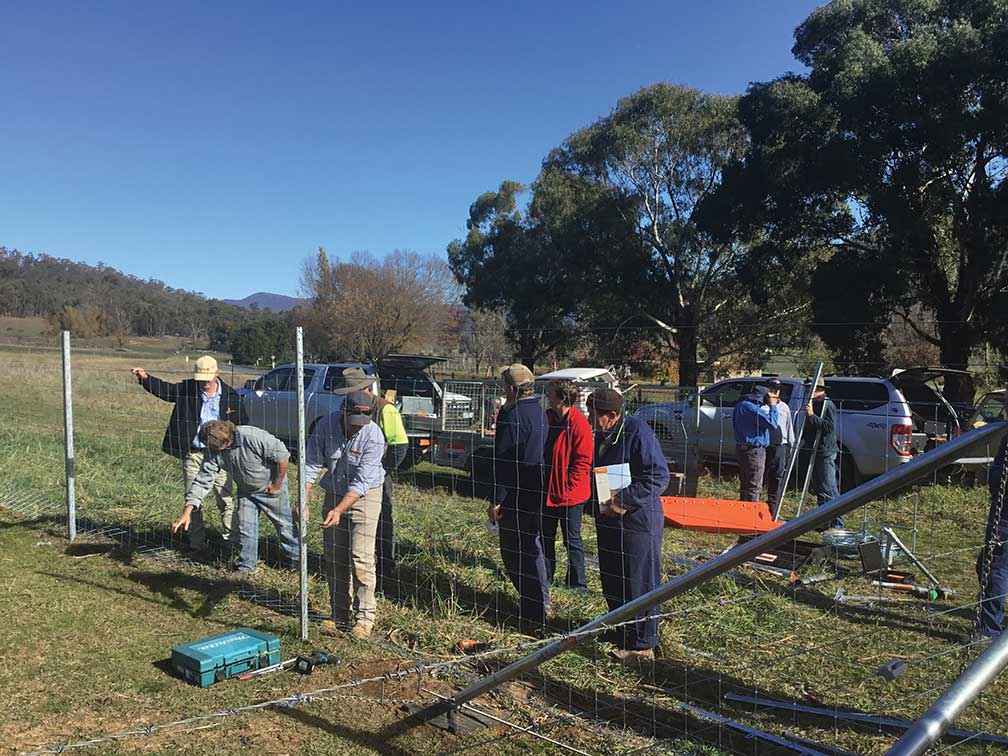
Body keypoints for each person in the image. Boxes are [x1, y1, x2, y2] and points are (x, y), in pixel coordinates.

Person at [588, 387, 670, 664]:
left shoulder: (637, 432)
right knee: (613, 576)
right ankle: (622, 630)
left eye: (594, 414)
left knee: (639, 579)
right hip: (609, 517)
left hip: (636, 520)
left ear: (612, 415)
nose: (590, 418)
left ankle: (643, 644)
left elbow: (657, 476)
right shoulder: (603, 434)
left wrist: (623, 499)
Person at [132, 356, 243, 553]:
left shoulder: (232, 397)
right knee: (193, 499)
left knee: (225, 498)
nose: (204, 382)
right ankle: (196, 544)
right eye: (201, 378)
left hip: (220, 456)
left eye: (208, 378)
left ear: (217, 373)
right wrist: (145, 378)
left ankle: (231, 543)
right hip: (194, 453)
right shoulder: (187, 389)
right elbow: (166, 391)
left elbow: (241, 425)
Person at [303, 390, 386, 640]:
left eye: (363, 420)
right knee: (334, 556)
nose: (357, 428)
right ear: (343, 411)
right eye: (353, 422)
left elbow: (361, 483)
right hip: (335, 489)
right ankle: (339, 613)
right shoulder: (326, 425)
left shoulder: (374, 436)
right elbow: (311, 463)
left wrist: (339, 510)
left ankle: (364, 618)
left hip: (365, 496)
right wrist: (303, 500)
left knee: (360, 557)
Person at [171, 420, 298, 573]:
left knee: (284, 526)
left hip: (271, 489)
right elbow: (203, 480)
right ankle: (246, 567)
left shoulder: (252, 436)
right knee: (245, 527)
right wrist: (187, 512)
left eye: (221, 448)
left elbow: (283, 457)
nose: (218, 453)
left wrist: (276, 484)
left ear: (228, 439)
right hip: (246, 492)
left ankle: (296, 562)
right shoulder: (214, 449)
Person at [488, 363, 550, 630]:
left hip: (514, 493)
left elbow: (504, 461)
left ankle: (532, 610)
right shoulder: (540, 412)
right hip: (535, 489)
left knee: (514, 552)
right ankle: (541, 602)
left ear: (512, 389)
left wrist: (497, 499)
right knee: (532, 547)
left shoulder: (512, 415)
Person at [340, 367, 409, 587]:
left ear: (367, 388)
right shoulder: (346, 407)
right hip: (350, 472)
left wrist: (382, 469)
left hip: (377, 474)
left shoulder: (386, 410)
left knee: (382, 520)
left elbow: (399, 446)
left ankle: (385, 567)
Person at [542, 380, 592, 591]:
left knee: (571, 538)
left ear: (561, 398)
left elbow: (583, 462)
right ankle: (546, 576)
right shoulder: (548, 418)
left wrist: (568, 487)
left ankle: (577, 583)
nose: (547, 395)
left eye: (550, 393)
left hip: (571, 493)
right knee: (546, 536)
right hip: (549, 489)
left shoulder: (579, 424)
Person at [976, 405, 1008, 641]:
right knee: (986, 564)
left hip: (1005, 514)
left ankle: (989, 630)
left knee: (994, 567)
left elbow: (1000, 478)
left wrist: (989, 475)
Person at [803, 376, 843, 529]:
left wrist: (812, 416)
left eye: (810, 388)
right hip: (815, 449)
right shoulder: (813, 404)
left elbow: (828, 427)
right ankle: (824, 521)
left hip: (825, 451)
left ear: (819, 390)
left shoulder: (828, 405)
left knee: (829, 488)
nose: (807, 391)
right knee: (820, 488)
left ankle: (837, 523)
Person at [731, 385, 779, 502]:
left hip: (742, 448)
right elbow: (772, 424)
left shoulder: (740, 406)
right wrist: (772, 406)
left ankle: (742, 510)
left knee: (745, 484)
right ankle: (751, 513)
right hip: (754, 451)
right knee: (754, 485)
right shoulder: (752, 409)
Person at [764, 379, 795, 509]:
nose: (774, 392)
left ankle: (773, 507)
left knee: (777, 477)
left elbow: (789, 426)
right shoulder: (762, 407)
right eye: (771, 389)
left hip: (780, 446)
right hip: (764, 446)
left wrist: (792, 444)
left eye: (776, 389)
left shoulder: (784, 407)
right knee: (762, 477)